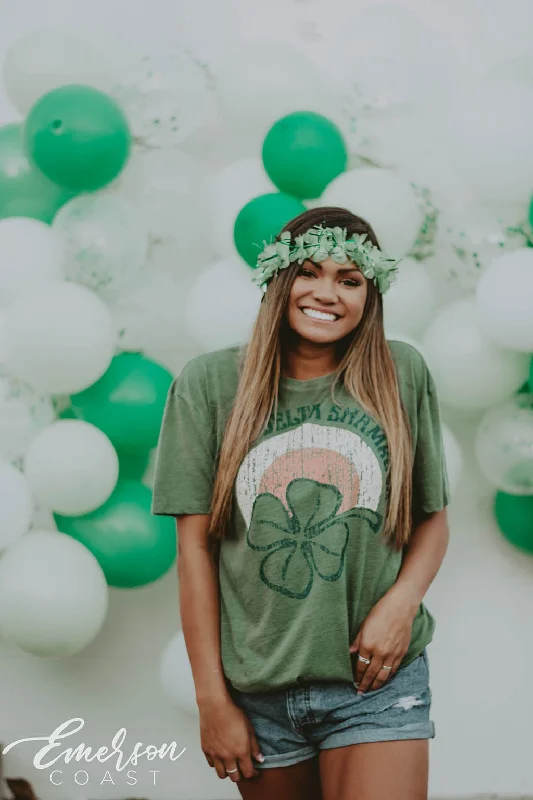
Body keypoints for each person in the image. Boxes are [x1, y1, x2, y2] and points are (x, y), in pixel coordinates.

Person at [151, 206, 450, 800]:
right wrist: (211, 699)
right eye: (310, 272)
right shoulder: (209, 386)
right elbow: (193, 554)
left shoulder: (402, 373)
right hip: (257, 688)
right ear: (279, 282)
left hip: (375, 683)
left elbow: (432, 520)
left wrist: (401, 602)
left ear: (371, 295)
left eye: (349, 280)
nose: (326, 293)